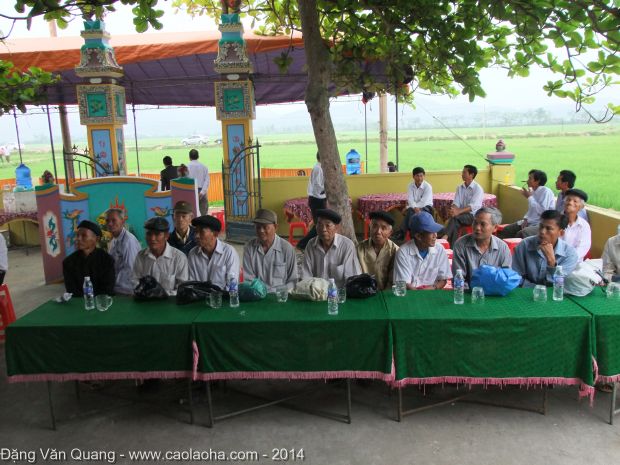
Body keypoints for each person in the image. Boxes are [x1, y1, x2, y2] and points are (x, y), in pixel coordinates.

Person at [512, 210, 578, 287]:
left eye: (548, 229)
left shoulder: (570, 254)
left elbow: (559, 285)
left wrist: (551, 263)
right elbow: (515, 276)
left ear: (561, 233)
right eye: (541, 226)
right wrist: (538, 289)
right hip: (525, 290)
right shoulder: (524, 245)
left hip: (552, 293)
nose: (542, 232)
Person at [301, 209, 361, 288]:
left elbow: (352, 279)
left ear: (336, 228)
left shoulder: (347, 246)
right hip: (316, 293)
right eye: (319, 224)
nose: (323, 229)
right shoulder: (311, 245)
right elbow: (305, 275)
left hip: (340, 293)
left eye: (328, 225)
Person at [452, 207, 512, 285]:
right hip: (469, 291)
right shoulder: (461, 245)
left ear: (495, 228)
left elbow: (506, 278)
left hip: (495, 291)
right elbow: (459, 279)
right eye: (475, 223)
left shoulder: (503, 248)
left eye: (483, 224)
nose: (477, 228)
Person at [394, 211, 452, 289]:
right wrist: (420, 294)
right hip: (410, 294)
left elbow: (443, 279)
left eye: (435, 231)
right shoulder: (403, 253)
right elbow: (404, 284)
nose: (435, 235)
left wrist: (433, 288)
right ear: (419, 236)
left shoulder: (439, 249)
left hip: (432, 292)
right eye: (431, 232)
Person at [243, 208, 298, 291]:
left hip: (280, 296)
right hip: (257, 295)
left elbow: (293, 280)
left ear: (275, 227)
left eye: (265, 227)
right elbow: (248, 279)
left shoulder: (287, 249)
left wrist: (281, 293)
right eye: (258, 227)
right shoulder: (249, 248)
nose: (261, 231)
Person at [133, 217, 188, 296]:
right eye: (149, 234)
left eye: (157, 234)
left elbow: (182, 289)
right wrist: (142, 292)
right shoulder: (141, 256)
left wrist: (163, 294)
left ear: (167, 236)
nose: (152, 238)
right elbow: (135, 281)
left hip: (170, 302)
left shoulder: (179, 258)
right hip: (145, 301)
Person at [62, 220, 115, 296]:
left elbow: (108, 289)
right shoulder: (68, 262)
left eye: (84, 236)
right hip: (79, 301)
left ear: (97, 239)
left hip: (102, 301)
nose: (78, 239)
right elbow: (71, 291)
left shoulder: (107, 260)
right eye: (77, 235)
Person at [499, 169, 555, 239]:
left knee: (522, 233)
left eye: (530, 178)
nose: (527, 181)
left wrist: (529, 197)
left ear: (537, 181)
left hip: (541, 223)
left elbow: (543, 212)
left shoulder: (545, 191)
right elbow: (531, 211)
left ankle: (516, 246)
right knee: (507, 230)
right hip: (529, 221)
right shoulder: (533, 191)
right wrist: (526, 219)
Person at [187, 215, 239, 289]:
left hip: (223, 296)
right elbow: (191, 284)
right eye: (196, 232)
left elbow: (232, 286)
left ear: (215, 234)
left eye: (201, 232)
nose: (196, 236)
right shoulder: (192, 254)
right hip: (199, 296)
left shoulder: (229, 253)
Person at [438, 164, 484, 247]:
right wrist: (453, 210)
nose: (462, 174)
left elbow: (473, 206)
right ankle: (453, 247)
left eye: (464, 172)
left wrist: (458, 212)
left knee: (455, 218)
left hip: (473, 216)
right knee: (455, 222)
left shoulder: (478, 189)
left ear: (471, 175)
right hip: (461, 216)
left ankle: (445, 236)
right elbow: (456, 202)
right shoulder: (460, 187)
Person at [356, 211, 399, 290]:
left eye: (383, 228)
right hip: (364, 292)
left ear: (390, 233)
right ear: (370, 227)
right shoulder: (359, 249)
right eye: (374, 226)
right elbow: (356, 276)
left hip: (387, 293)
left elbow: (393, 280)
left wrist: (385, 294)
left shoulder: (395, 251)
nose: (378, 232)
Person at [106, 208, 141, 295]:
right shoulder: (114, 240)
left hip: (127, 291)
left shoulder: (128, 241)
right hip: (117, 289)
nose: (110, 223)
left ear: (122, 221)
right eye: (107, 221)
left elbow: (132, 269)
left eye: (114, 220)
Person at [394, 166, 434, 240]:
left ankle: (402, 232)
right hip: (413, 208)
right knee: (411, 212)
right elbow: (410, 199)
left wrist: (410, 207)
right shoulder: (410, 186)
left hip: (426, 208)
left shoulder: (428, 187)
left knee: (410, 211)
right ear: (413, 176)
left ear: (424, 176)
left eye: (421, 176)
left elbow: (424, 202)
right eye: (417, 176)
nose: (419, 178)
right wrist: (414, 207)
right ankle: (414, 234)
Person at [296, 152, 326, 250]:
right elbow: (318, 186)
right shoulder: (318, 168)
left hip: (318, 199)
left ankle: (306, 244)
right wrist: (328, 189)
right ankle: (302, 244)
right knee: (319, 225)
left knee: (320, 225)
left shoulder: (320, 167)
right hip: (317, 200)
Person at [561, 189, 591, 262]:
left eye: (575, 201)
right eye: (568, 200)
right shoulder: (555, 220)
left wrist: (568, 261)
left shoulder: (584, 225)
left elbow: (583, 248)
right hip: (554, 261)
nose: (570, 203)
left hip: (575, 263)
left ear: (581, 207)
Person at [187, 149, 210, 215]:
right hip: (202, 192)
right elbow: (207, 181)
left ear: (189, 157)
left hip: (190, 192)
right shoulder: (204, 167)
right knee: (203, 214)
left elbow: (185, 181)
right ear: (198, 156)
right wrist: (202, 192)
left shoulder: (186, 167)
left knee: (191, 213)